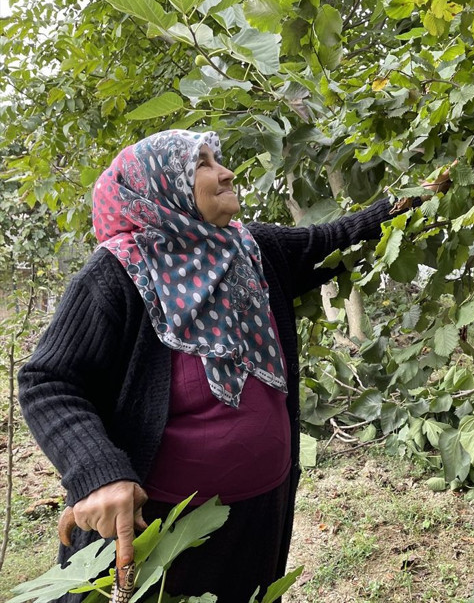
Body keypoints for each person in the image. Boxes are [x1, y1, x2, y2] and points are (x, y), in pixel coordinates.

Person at [17, 129, 448, 602]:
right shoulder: (117, 273)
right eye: (202, 164)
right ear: (163, 186)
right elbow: (49, 380)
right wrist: (98, 472)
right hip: (164, 525)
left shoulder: (251, 248)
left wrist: (420, 197)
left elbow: (337, 239)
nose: (226, 172)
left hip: (262, 507)